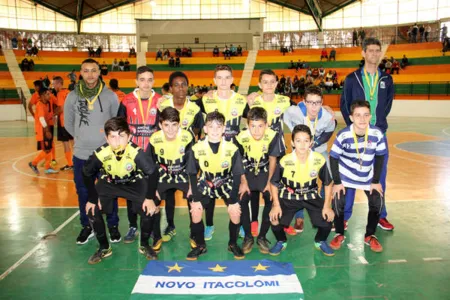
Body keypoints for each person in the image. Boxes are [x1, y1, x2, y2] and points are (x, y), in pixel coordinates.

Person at [82, 117, 160, 264]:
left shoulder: (135, 152)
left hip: (133, 182)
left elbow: (153, 172)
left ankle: (144, 244)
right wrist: (92, 198)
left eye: (121, 136)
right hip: (109, 182)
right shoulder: (101, 153)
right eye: (113, 137)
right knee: (92, 210)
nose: (117, 141)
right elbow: (86, 173)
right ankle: (104, 248)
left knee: (151, 207)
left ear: (129, 136)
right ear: (106, 138)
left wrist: (149, 197)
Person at [64, 58, 121, 245]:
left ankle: (112, 225)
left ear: (99, 72)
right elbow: (68, 123)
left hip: (106, 154)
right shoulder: (72, 96)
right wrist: (82, 137)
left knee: (109, 191)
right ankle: (87, 225)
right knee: (83, 192)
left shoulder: (110, 96)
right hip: (81, 154)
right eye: (86, 70)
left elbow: (116, 123)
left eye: (93, 70)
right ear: (81, 72)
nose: (90, 74)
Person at [340, 37, 394, 231]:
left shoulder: (387, 79)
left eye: (376, 50)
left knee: (378, 177)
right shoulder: (351, 78)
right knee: (349, 177)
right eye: (370, 50)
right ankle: (344, 216)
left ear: (380, 53)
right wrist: (356, 128)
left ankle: (380, 215)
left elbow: (386, 105)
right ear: (363, 53)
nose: (373, 53)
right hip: (356, 135)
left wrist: (376, 127)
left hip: (378, 136)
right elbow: (344, 104)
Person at [186, 111, 247, 260]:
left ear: (224, 129)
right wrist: (195, 197)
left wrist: (233, 200)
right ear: (205, 129)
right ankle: (200, 245)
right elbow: (193, 174)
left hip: (226, 181)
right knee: (195, 210)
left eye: (218, 127)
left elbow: (237, 174)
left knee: (235, 211)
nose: (214, 131)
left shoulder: (232, 148)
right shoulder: (196, 147)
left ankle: (232, 244)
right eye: (211, 127)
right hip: (205, 181)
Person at [268, 124, 335, 256]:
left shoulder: (319, 159)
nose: (302, 145)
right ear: (292, 142)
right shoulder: (285, 161)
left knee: (328, 218)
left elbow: (328, 183)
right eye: (298, 141)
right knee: (274, 218)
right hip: (289, 195)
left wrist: (327, 206)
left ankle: (320, 241)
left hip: (311, 195)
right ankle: (281, 241)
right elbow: (274, 183)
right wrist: (276, 205)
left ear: (311, 142)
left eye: (306, 140)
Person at [329, 100, 386, 253]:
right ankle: (339, 233)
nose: (362, 119)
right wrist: (337, 182)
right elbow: (333, 157)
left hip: (367, 176)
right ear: (351, 117)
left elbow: (380, 156)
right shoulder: (344, 134)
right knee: (338, 201)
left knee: (378, 200)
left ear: (370, 116)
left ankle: (370, 235)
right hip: (346, 175)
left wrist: (375, 181)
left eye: (366, 115)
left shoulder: (377, 134)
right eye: (358, 115)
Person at [118, 66, 162, 243]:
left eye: (149, 80)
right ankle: (132, 226)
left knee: (152, 191)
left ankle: (150, 226)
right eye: (142, 80)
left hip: (153, 155)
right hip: (132, 155)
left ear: (154, 81)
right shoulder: (126, 101)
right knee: (131, 192)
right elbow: (120, 126)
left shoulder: (160, 100)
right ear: (136, 81)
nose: (146, 83)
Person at [283, 85, 336, 232]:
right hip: (298, 152)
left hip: (319, 151)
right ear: (304, 102)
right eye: (310, 102)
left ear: (322, 101)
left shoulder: (326, 115)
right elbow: (279, 112)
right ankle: (299, 217)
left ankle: (325, 211)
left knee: (329, 178)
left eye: (318, 102)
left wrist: (315, 144)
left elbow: (331, 129)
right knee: (296, 182)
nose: (314, 106)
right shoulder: (293, 112)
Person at [236, 107, 284, 254]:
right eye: (253, 126)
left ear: (267, 124)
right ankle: (248, 237)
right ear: (248, 124)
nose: (256, 131)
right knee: (242, 198)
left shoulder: (273, 135)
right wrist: (243, 182)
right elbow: (238, 161)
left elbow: (273, 161)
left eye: (260, 126)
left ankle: (262, 236)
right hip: (248, 172)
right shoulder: (240, 137)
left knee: (270, 197)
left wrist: (270, 183)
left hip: (265, 172)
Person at [148, 107, 194, 247]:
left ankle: (194, 233)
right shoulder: (155, 138)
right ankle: (159, 235)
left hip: (182, 175)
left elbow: (192, 163)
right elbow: (151, 166)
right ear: (160, 125)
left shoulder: (187, 137)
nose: (170, 129)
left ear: (179, 124)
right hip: (163, 176)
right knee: (154, 201)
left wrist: (192, 186)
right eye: (166, 125)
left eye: (174, 125)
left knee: (194, 200)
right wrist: (152, 189)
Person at [159, 71, 203, 139]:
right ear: (171, 88)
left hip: (187, 147)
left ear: (187, 87)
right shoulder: (162, 107)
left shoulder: (195, 109)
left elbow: (198, 128)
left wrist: (188, 137)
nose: (181, 88)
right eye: (176, 85)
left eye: (184, 84)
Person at [28, 88, 59, 175]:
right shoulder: (40, 105)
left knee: (48, 148)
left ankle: (47, 167)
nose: (50, 96)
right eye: (48, 94)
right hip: (41, 131)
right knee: (46, 149)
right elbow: (41, 119)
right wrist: (46, 131)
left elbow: (47, 116)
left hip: (45, 129)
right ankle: (33, 163)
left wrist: (55, 113)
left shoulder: (45, 104)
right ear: (42, 96)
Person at [53, 76, 74, 171]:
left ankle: (70, 164)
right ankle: (77, 163)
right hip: (72, 121)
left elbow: (61, 108)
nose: (53, 86)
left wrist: (53, 114)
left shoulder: (60, 94)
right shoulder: (69, 92)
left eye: (54, 84)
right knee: (73, 143)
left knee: (65, 143)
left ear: (58, 83)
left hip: (63, 121)